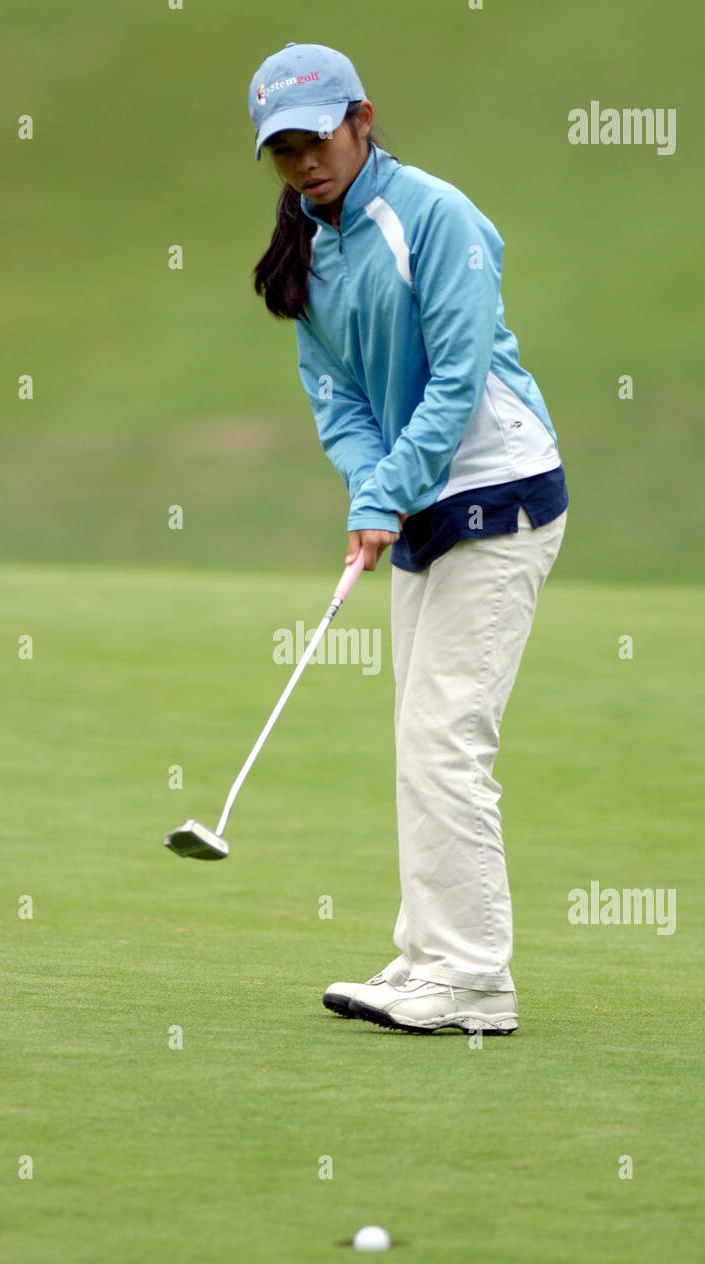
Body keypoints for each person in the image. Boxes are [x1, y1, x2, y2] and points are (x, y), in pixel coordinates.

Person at [248, 42, 568, 1035]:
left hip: (498, 488)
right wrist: (371, 493)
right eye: (283, 149)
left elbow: (459, 376)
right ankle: (429, 953)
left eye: (317, 139)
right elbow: (335, 394)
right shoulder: (310, 243)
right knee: (417, 740)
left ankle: (476, 977)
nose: (304, 162)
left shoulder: (435, 215)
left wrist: (390, 490)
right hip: (418, 501)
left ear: (363, 119)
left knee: (446, 738)